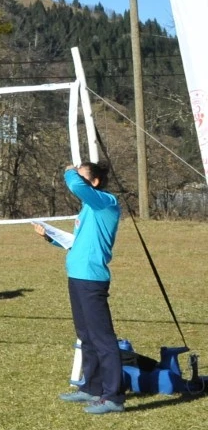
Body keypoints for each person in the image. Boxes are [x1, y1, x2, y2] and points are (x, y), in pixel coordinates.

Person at [36, 162, 124, 415]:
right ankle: (92, 387)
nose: (76, 180)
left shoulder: (105, 202)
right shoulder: (88, 208)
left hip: (91, 278)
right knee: (86, 335)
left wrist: (68, 170)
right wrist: (50, 238)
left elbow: (75, 184)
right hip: (77, 275)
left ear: (94, 183)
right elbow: (79, 243)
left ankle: (113, 397)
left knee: (103, 338)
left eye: (82, 176)